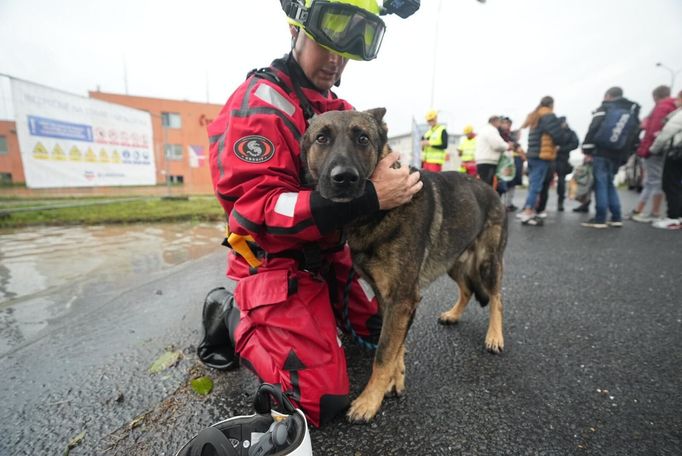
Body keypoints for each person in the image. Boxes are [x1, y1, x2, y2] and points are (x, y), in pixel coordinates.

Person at [199, 0, 422, 428]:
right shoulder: (260, 104)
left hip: (330, 256)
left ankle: (321, 320)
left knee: (378, 331)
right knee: (320, 399)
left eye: (345, 53)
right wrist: (371, 198)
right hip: (275, 263)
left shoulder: (335, 107)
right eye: (325, 45)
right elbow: (255, 215)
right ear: (294, 30)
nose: (335, 61)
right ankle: (229, 317)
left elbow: (377, 167)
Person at [581, 86, 641, 228]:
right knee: (609, 184)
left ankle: (600, 218)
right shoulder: (631, 111)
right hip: (618, 154)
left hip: (601, 151)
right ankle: (616, 217)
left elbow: (593, 128)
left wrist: (587, 150)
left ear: (608, 95)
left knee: (600, 184)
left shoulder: (605, 108)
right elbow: (634, 136)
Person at [630, 85, 677, 223]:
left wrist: (646, 149)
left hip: (655, 149)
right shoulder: (673, 107)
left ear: (656, 96)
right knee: (653, 180)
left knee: (654, 180)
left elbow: (653, 132)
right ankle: (640, 209)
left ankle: (654, 212)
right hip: (666, 149)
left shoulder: (662, 107)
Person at [518, 96, 567, 226]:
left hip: (533, 154)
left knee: (533, 184)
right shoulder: (548, 116)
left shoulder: (535, 115)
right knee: (536, 186)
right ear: (551, 104)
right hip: (542, 155)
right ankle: (528, 212)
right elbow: (558, 136)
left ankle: (529, 210)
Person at [650, 89, 682, 229]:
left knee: (670, 184)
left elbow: (667, 132)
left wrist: (654, 149)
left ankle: (673, 218)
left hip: (676, 153)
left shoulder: (679, 115)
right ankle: (678, 218)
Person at [536, 116, 579, 214]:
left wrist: (562, 149)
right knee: (545, 181)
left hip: (562, 159)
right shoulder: (554, 131)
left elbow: (575, 144)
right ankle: (541, 204)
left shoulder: (570, 133)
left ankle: (560, 202)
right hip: (550, 158)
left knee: (561, 181)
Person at [498, 116, 525, 211]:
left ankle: (508, 204)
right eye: (505, 123)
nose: (507, 126)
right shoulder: (498, 133)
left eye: (509, 124)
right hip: (503, 162)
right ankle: (501, 204)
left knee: (511, 183)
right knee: (503, 183)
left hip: (511, 161)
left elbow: (515, 145)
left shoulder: (510, 135)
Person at [475, 115, 511, 187]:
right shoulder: (491, 130)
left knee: (483, 183)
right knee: (487, 185)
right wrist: (508, 146)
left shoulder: (484, 129)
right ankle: (485, 198)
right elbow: (497, 145)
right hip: (488, 161)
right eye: (499, 122)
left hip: (483, 160)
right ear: (495, 121)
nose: (500, 125)